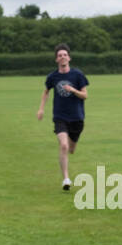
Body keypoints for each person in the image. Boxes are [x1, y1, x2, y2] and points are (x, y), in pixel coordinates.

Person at [36, 44, 89, 189]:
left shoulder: (78, 75)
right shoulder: (53, 77)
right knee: (64, 146)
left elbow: (85, 95)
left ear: (69, 58)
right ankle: (66, 179)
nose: (62, 57)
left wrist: (72, 90)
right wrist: (41, 109)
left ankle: (69, 155)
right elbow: (46, 92)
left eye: (65, 54)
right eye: (59, 55)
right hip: (60, 117)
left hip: (77, 117)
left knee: (71, 149)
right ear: (56, 60)